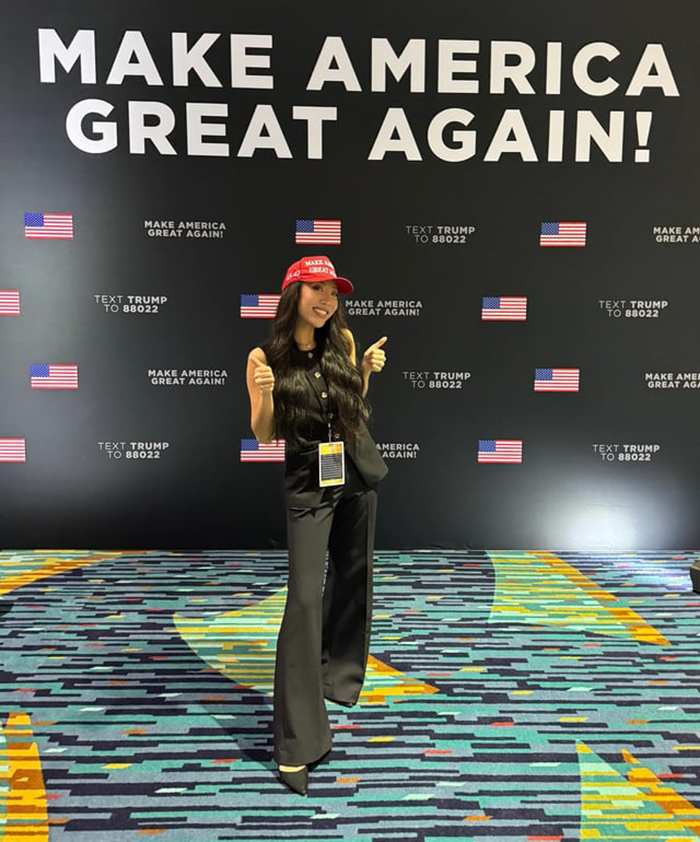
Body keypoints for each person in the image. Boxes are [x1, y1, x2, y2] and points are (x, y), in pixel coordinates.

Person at [245, 255, 389, 795]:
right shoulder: (265, 357)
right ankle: (295, 744)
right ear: (293, 295)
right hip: (309, 482)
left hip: (356, 471)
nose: (327, 300)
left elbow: (350, 409)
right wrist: (264, 391)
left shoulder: (343, 342)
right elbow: (264, 435)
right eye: (316, 290)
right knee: (305, 599)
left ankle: (336, 676)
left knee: (354, 575)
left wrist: (364, 372)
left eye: (333, 292)